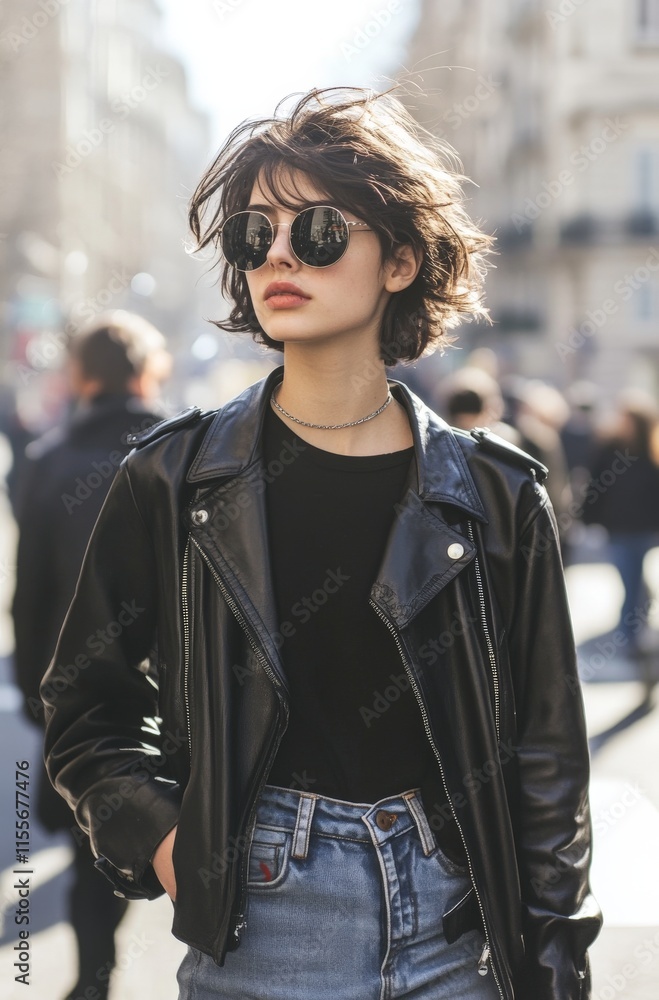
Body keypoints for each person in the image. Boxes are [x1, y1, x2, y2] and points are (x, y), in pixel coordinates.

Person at [41, 88, 601, 1000]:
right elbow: (83, 701)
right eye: (253, 235)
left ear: (400, 260)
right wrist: (170, 845)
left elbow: (545, 762)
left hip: (456, 924)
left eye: (322, 231)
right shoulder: (175, 479)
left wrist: (552, 958)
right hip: (264, 920)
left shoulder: (495, 496)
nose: (281, 256)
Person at [12, 311, 171, 1000]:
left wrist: (33, 691)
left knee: (88, 850)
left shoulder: (49, 463)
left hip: (78, 694)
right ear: (146, 372)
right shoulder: (183, 450)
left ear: (79, 376)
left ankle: (93, 982)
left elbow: (32, 594)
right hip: (175, 690)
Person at [580, 389, 659, 646]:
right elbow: (594, 485)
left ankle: (631, 631)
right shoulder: (608, 447)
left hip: (645, 527)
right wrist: (587, 518)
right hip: (617, 527)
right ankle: (631, 629)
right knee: (629, 578)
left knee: (634, 578)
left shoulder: (652, 450)